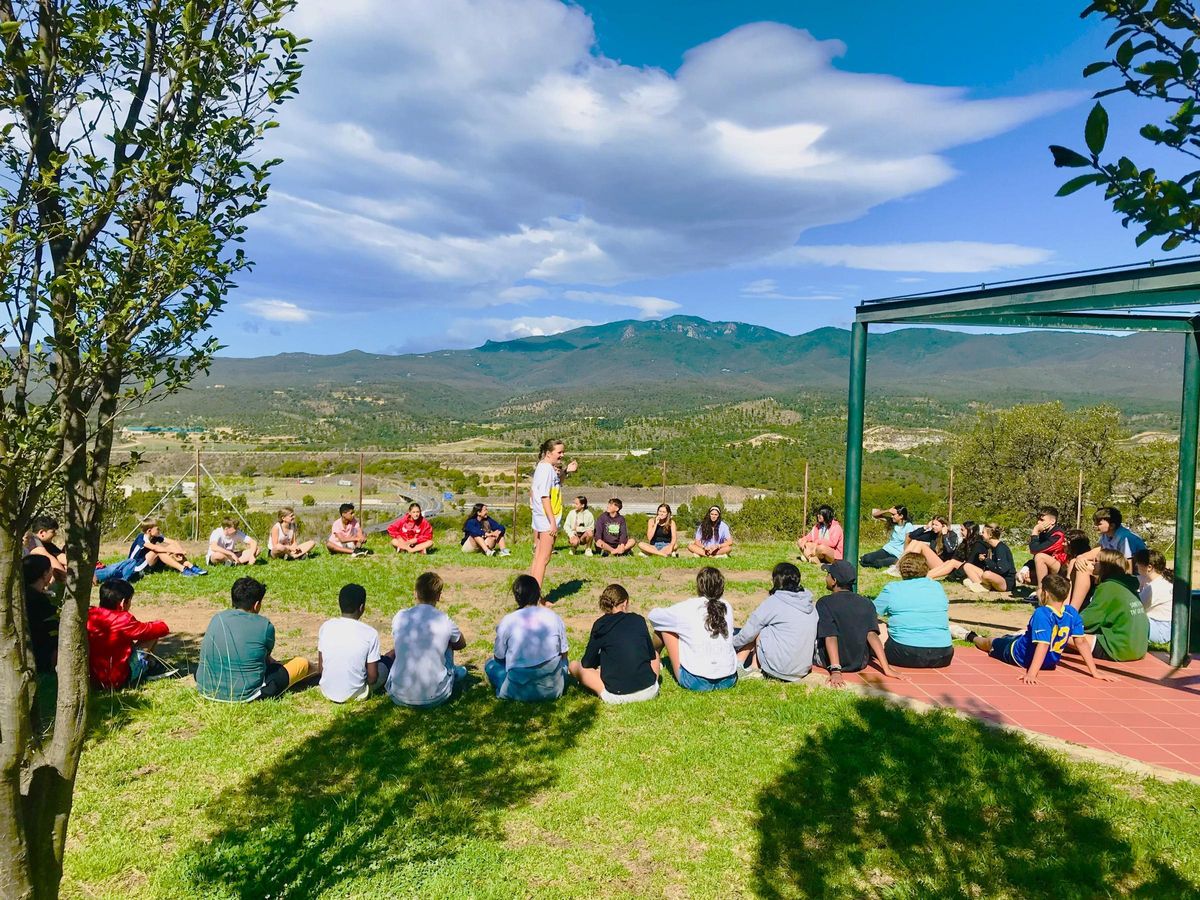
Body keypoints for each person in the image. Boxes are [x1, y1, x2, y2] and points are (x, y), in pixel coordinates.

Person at [965, 573, 1111, 684]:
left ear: (1045, 594)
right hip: (1049, 663)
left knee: (991, 643)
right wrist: (1095, 672)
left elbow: (1043, 644)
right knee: (1014, 637)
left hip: (1019, 655)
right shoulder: (1072, 612)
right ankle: (1011, 636)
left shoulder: (1042, 613)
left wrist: (1032, 674)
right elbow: (1081, 642)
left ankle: (971, 636)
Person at [196, 577, 310, 702]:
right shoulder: (264, 625)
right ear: (256, 605)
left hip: (206, 688)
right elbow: (266, 658)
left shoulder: (217, 618)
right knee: (302, 663)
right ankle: (317, 671)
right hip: (246, 694)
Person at [814, 560, 905, 686]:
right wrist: (887, 668)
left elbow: (830, 635)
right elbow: (872, 635)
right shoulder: (866, 603)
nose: (826, 577)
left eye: (828, 574)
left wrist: (835, 670)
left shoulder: (824, 603)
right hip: (859, 663)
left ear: (834, 580)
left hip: (829, 662)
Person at [647, 567, 738, 691]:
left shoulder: (689, 607)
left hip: (696, 681)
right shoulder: (727, 606)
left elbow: (654, 617)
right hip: (729, 679)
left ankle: (652, 656)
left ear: (699, 586)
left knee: (665, 628)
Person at [388, 572, 469, 708]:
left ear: (415, 593)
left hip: (398, 695)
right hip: (437, 696)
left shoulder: (400, 617)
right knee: (448, 642)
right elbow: (461, 643)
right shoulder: (444, 620)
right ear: (438, 596)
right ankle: (452, 673)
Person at [568, 583, 660, 704]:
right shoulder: (638, 619)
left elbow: (587, 663)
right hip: (650, 690)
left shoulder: (600, 625)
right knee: (656, 655)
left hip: (617, 696)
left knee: (575, 666)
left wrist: (600, 661)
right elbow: (650, 655)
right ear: (625, 603)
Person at [486, 575, 569, 701]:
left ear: (516, 596)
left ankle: (508, 687)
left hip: (517, 690)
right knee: (563, 664)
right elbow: (564, 654)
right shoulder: (554, 617)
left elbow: (499, 657)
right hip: (552, 688)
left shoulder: (508, 621)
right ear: (538, 594)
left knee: (490, 665)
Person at [733, 562, 818, 681]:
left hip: (779, 668)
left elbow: (748, 633)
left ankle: (747, 666)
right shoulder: (810, 604)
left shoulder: (774, 602)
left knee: (760, 627)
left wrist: (732, 643)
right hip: (802, 669)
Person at [86, 579, 173, 689]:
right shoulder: (123, 620)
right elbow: (159, 629)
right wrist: (159, 623)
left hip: (92, 678)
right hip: (117, 680)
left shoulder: (89, 613)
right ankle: (150, 667)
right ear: (123, 602)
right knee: (152, 635)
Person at [872, 554, 954, 668]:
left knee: (874, 625)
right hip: (943, 654)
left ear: (901, 570)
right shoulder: (937, 587)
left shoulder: (892, 589)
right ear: (926, 569)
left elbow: (869, 613)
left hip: (906, 653)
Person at [1073, 549, 1149, 661]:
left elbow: (1087, 621)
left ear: (1105, 566)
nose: (1093, 563)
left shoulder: (1108, 588)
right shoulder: (1126, 584)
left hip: (1119, 648)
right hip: (1139, 647)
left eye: (1096, 561)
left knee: (1061, 634)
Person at [317, 583, 387, 703]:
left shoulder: (326, 626)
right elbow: (372, 678)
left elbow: (320, 669)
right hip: (356, 694)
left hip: (327, 691)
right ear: (361, 607)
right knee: (384, 665)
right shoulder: (370, 633)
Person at [530, 438, 578, 586]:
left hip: (545, 518)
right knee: (543, 559)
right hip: (547, 520)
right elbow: (545, 497)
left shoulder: (547, 468)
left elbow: (557, 482)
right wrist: (552, 523)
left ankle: (531, 593)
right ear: (549, 453)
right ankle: (536, 597)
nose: (562, 455)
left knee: (538, 557)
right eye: (559, 452)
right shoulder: (545, 469)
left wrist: (566, 472)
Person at [129, 518, 206, 576]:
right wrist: (174, 552)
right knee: (159, 551)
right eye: (157, 529)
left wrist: (180, 551)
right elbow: (155, 548)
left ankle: (190, 566)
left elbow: (173, 542)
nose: (159, 530)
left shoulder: (155, 536)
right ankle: (183, 569)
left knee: (171, 547)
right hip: (136, 567)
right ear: (149, 531)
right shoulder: (141, 538)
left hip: (149, 563)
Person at [22, 554, 58, 675]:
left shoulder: (22, 596)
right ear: (44, 574)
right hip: (41, 654)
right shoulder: (39, 601)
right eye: (50, 570)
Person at [1015, 507, 1068, 587]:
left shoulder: (1058, 535)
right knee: (1024, 576)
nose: (1038, 522)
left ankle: (1041, 591)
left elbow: (1035, 550)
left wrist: (1035, 531)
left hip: (1062, 569)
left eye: (1042, 520)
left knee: (1040, 557)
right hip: (1050, 568)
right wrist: (1026, 567)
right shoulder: (1044, 534)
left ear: (1052, 521)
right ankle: (1047, 589)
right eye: (1038, 519)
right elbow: (1035, 553)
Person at [961, 524, 1017, 595]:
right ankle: (982, 585)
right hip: (996, 577)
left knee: (986, 574)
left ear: (990, 535)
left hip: (1005, 582)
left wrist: (986, 560)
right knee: (967, 566)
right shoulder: (992, 547)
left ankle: (981, 585)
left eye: (983, 532)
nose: (981, 534)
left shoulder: (1001, 548)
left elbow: (1001, 569)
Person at [1135, 548, 1174, 646]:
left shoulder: (1154, 588)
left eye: (1138, 563)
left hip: (1161, 630)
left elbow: (1136, 607)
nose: (1136, 565)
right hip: (1169, 627)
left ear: (1149, 567)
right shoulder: (1162, 580)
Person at [23, 515, 68, 583]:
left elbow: (61, 556)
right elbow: (50, 559)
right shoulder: (32, 540)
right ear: (42, 532)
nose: (55, 534)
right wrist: (68, 576)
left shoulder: (47, 544)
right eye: (53, 532)